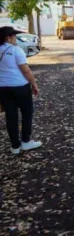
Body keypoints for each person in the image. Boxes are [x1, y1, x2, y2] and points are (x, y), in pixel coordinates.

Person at [0, 26, 42, 155]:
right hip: (20, 87)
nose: (16, 39)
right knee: (26, 113)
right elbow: (25, 70)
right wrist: (34, 83)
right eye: (14, 36)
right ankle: (26, 141)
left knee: (10, 116)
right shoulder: (16, 50)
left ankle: (15, 146)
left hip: (3, 88)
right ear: (8, 37)